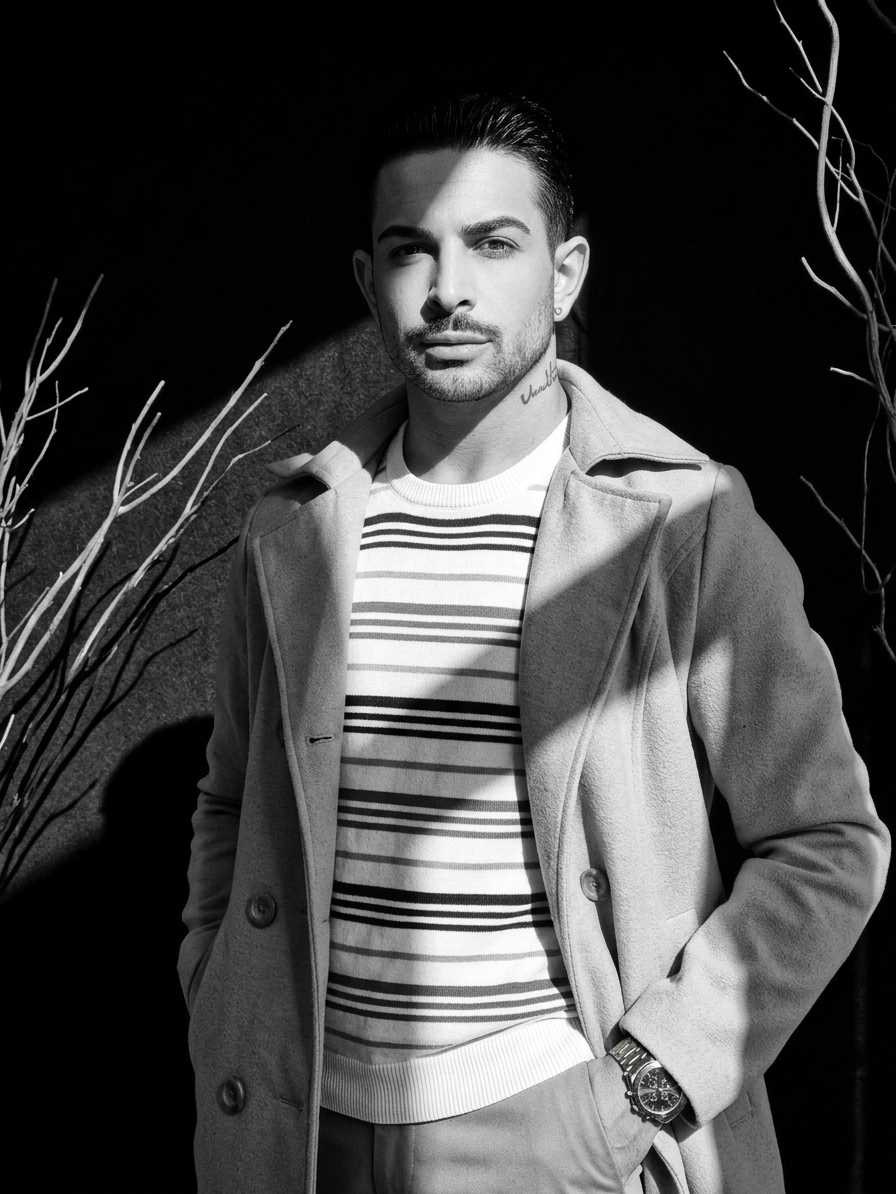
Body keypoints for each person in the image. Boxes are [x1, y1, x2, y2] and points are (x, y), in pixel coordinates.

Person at [179, 93, 889, 1194]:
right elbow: (231, 800)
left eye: (492, 244)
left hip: (553, 1136)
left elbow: (827, 840)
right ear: (367, 282)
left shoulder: (680, 521)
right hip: (302, 1128)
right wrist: (217, 990)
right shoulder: (292, 531)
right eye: (410, 250)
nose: (446, 288)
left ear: (565, 275)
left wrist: (636, 1094)